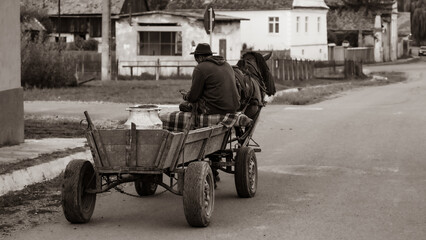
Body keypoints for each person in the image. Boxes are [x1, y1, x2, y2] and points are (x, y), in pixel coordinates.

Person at [179, 43, 240, 115]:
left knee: (183, 105)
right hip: (234, 107)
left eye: (196, 59)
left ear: (200, 57)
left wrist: (186, 96)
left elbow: (194, 97)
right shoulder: (227, 65)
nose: (197, 62)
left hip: (216, 109)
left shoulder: (200, 68)